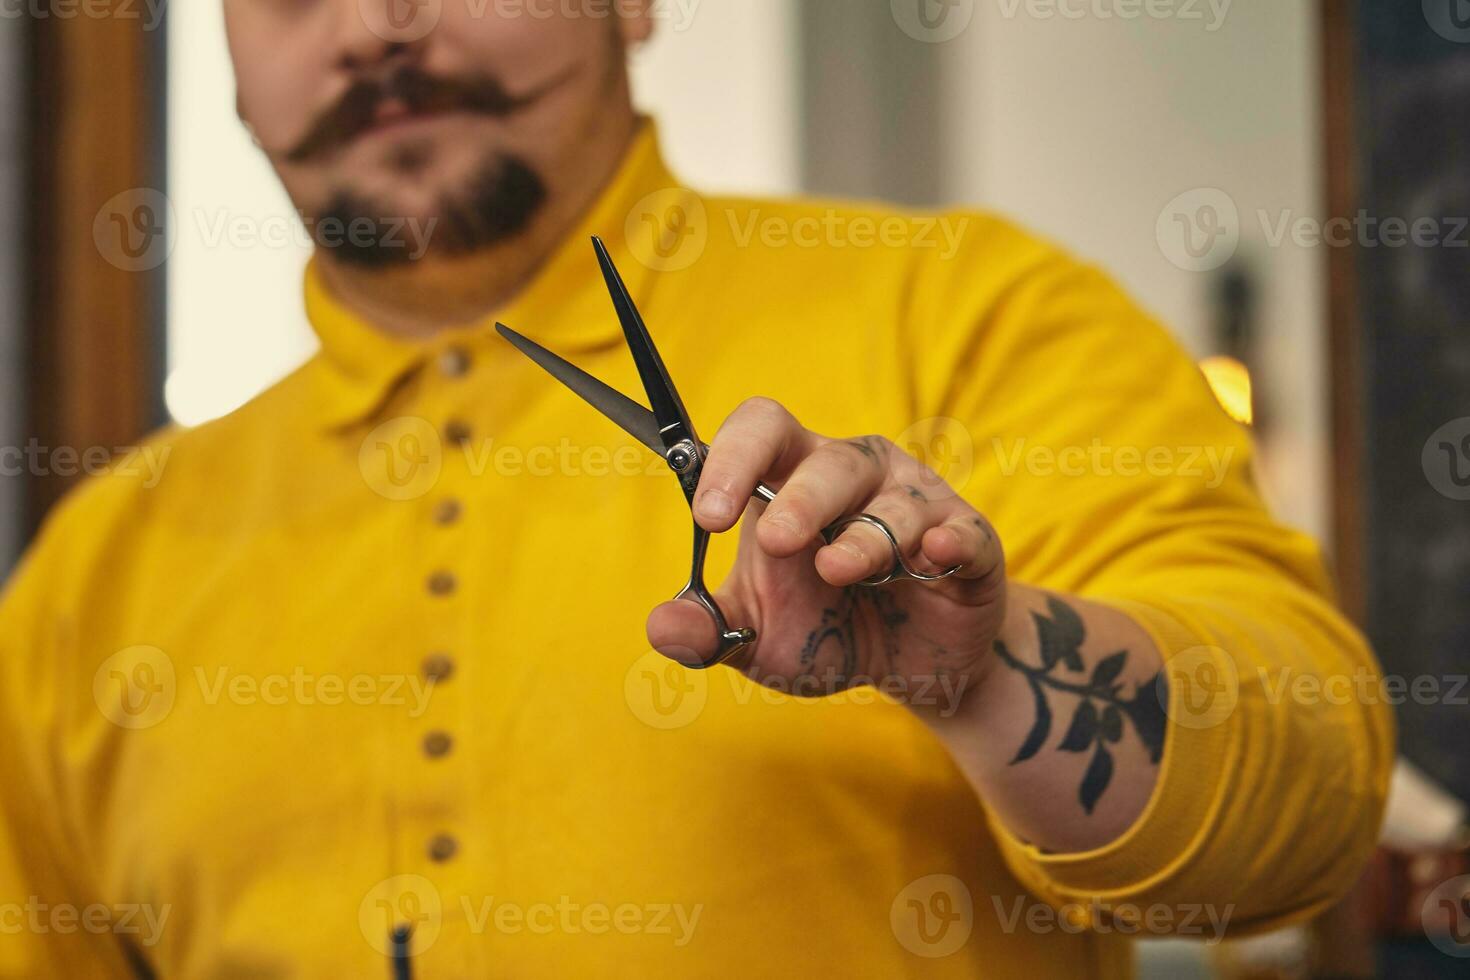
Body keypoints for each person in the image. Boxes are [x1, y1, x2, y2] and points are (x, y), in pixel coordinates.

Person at [0, 2, 1393, 976]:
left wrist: (991, 667)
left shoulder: (971, 308)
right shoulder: (99, 562)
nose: (374, 22)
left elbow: (1313, 800)